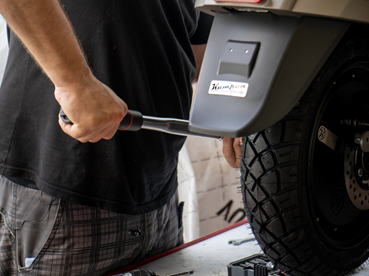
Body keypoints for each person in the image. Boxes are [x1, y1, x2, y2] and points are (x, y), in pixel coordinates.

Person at [0, 0, 241, 275]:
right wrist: (74, 83)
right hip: (64, 191)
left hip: (157, 189)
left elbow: (192, 53)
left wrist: (233, 106)